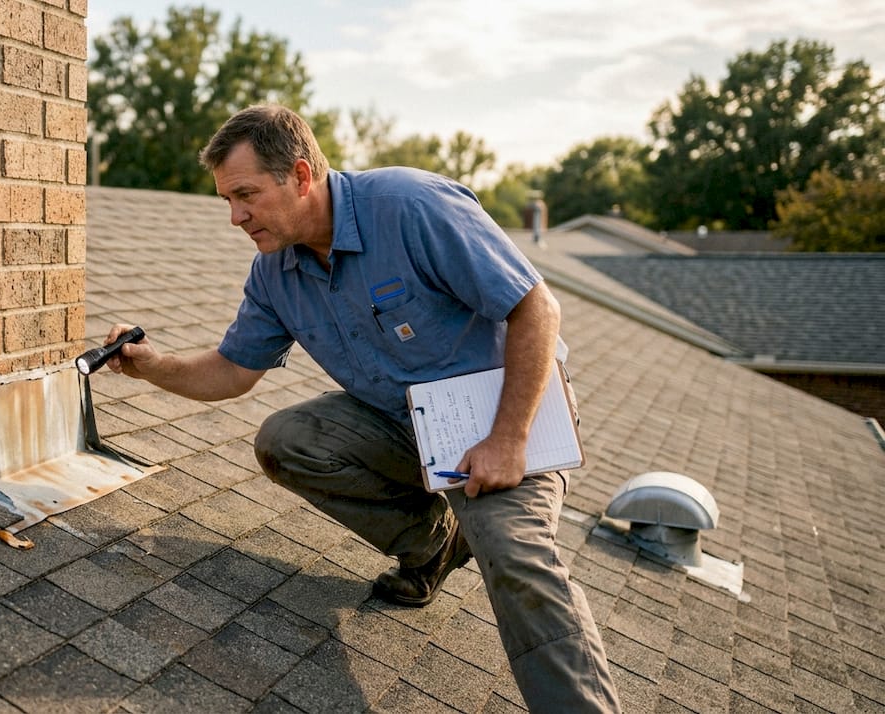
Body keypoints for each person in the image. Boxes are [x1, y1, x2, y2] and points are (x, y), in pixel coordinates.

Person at [103, 104, 621, 712]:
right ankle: (434, 543)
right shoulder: (276, 271)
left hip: (505, 413)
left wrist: (508, 437)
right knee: (289, 439)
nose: (235, 217)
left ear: (300, 175)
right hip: (406, 426)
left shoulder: (410, 207)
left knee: (516, 561)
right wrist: (151, 365)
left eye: (246, 194)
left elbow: (537, 309)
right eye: (226, 200)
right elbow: (232, 370)